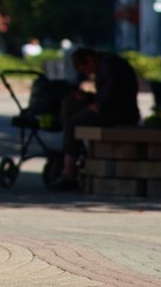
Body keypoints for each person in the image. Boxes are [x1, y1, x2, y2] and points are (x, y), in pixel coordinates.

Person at [53, 46, 140, 190]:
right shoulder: (106, 63)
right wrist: (88, 98)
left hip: (120, 113)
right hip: (114, 109)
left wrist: (99, 105)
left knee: (72, 124)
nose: (87, 74)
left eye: (85, 69)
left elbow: (113, 89)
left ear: (90, 59)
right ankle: (72, 152)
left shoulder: (107, 65)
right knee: (69, 104)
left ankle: (69, 172)